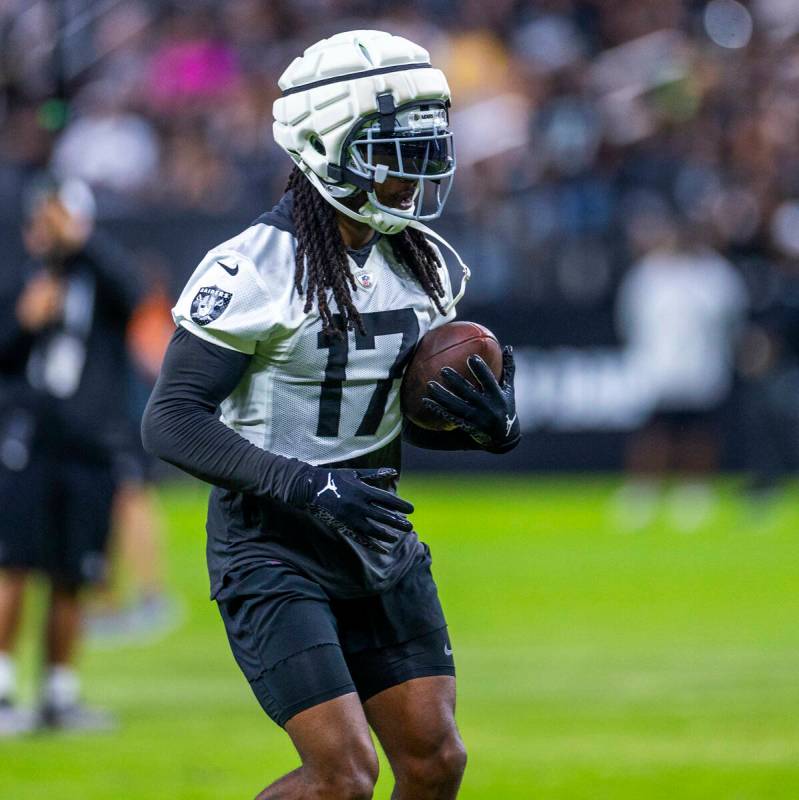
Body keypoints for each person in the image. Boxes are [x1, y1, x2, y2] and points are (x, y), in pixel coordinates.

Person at [142, 30, 520, 800]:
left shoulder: (422, 260)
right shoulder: (253, 268)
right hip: (272, 542)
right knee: (342, 776)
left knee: (435, 760)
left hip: (373, 529)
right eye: (393, 149)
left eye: (425, 146)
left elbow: (392, 418)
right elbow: (171, 419)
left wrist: (485, 426)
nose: (416, 172)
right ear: (325, 148)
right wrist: (307, 487)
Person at [0, 177, 142, 733]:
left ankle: (60, 694)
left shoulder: (100, 276)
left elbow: (131, 296)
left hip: (88, 443)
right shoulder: (17, 275)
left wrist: (79, 243)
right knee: (12, 565)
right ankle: (5, 692)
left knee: (74, 571)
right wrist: (22, 322)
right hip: (27, 440)